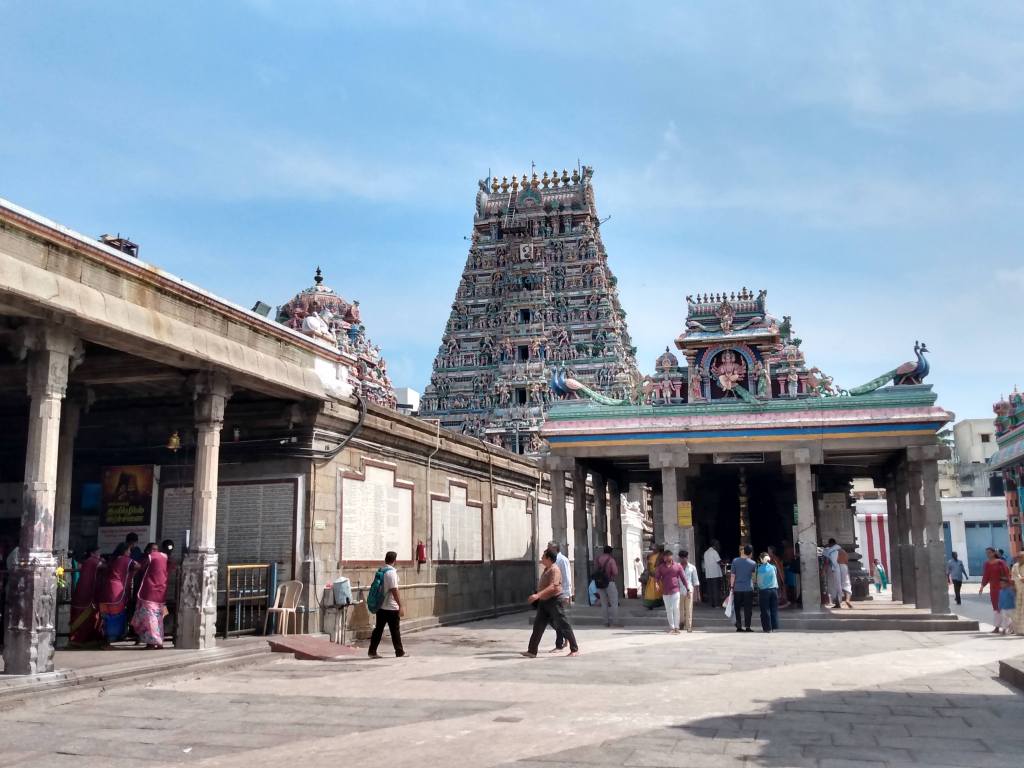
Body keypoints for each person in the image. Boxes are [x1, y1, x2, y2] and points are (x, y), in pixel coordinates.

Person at [522, 549, 579, 657]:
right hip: (544, 602)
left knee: (563, 623)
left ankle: (574, 649)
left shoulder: (554, 569)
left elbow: (553, 586)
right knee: (538, 626)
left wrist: (537, 595)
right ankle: (532, 651)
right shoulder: (546, 569)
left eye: (543, 557)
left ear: (548, 558)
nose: (541, 558)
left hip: (554, 601)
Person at [130, 541, 173, 649]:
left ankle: (153, 642)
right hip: (161, 592)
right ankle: (159, 641)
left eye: (155, 549)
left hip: (149, 593)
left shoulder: (151, 557)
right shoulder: (165, 558)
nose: (154, 552)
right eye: (153, 550)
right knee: (158, 618)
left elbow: (140, 567)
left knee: (149, 619)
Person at [98, 543, 138, 645]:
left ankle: (107, 637)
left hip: (106, 589)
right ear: (124, 551)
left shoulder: (113, 559)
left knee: (107, 614)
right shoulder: (125, 559)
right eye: (129, 550)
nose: (130, 553)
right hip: (116, 590)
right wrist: (133, 573)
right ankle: (112, 638)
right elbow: (138, 566)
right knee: (115, 614)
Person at [368, 550, 405, 658]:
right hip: (391, 607)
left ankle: (372, 651)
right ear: (394, 560)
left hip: (381, 606)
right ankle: (399, 652)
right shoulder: (391, 573)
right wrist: (401, 606)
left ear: (385, 559)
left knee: (378, 629)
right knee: (395, 630)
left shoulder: (381, 570)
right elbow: (394, 590)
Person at [69, 545, 103, 647]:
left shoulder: (89, 562)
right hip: (86, 595)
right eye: (98, 553)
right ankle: (79, 640)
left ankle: (85, 639)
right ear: (92, 553)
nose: (99, 555)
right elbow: (104, 566)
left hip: (83, 593)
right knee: (86, 618)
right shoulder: (92, 561)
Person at [547, 541, 573, 652]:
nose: (547, 550)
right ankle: (566, 636)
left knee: (559, 619)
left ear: (554, 549)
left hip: (561, 593)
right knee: (551, 618)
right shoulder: (551, 560)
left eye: (549, 548)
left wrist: (567, 594)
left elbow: (567, 577)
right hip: (552, 594)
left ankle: (560, 644)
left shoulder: (562, 560)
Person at [654, 551, 687, 634]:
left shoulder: (677, 566)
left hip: (675, 591)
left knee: (676, 608)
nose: (665, 558)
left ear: (671, 556)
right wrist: (656, 584)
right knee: (669, 610)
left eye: (667, 556)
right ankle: (672, 628)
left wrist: (688, 588)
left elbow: (683, 578)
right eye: (664, 557)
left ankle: (677, 627)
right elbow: (657, 577)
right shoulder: (661, 567)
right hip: (665, 592)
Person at [980, 547, 1011, 633]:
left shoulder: (1001, 562)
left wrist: (1008, 586)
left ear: (994, 553)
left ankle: (1006, 627)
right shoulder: (986, 564)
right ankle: (997, 627)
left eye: (989, 552)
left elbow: (1006, 574)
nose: (988, 554)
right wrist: (982, 586)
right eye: (986, 553)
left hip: (1002, 588)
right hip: (993, 589)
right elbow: (986, 576)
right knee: (996, 608)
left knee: (1003, 608)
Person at [730, 545, 756, 632]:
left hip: (737, 588)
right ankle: (748, 626)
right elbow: (753, 577)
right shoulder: (753, 563)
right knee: (748, 609)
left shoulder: (735, 561)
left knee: (737, 608)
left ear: (743, 551)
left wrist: (731, 587)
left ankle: (739, 626)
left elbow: (732, 575)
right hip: (748, 588)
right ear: (751, 553)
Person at [592, 545, 620, 627]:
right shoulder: (611, 560)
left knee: (604, 603)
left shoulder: (598, 559)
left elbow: (595, 570)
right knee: (614, 602)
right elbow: (615, 572)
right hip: (609, 582)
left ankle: (605, 622)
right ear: (610, 552)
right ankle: (615, 622)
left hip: (600, 582)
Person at [755, 553, 780, 633]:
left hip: (764, 591)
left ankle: (767, 628)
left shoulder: (760, 569)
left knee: (765, 610)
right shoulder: (773, 567)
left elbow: (759, 581)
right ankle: (774, 627)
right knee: (774, 609)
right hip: (774, 590)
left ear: (761, 559)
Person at [679, 550, 699, 632]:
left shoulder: (692, 567)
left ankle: (689, 626)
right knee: (680, 609)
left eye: (685, 558)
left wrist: (697, 595)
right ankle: (681, 622)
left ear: (687, 557)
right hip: (679, 591)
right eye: (682, 558)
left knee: (689, 609)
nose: (683, 559)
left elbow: (695, 581)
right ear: (680, 558)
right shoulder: (677, 567)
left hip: (689, 590)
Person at [821, 538, 842, 608]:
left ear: (830, 544)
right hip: (839, 569)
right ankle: (838, 601)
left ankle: (836, 602)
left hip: (831, 570)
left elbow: (826, 562)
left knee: (832, 586)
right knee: (838, 585)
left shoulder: (827, 551)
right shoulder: (840, 549)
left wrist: (823, 571)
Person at [642, 544, 665, 609]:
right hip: (651, 575)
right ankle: (650, 604)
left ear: (658, 549)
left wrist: (657, 572)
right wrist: (649, 571)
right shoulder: (650, 556)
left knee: (658, 590)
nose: (653, 550)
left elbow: (661, 565)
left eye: (655, 549)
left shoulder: (660, 556)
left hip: (658, 575)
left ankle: (657, 603)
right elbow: (648, 565)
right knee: (650, 591)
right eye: (653, 549)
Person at [703, 540, 724, 608]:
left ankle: (711, 604)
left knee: (710, 590)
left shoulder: (705, 552)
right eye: (717, 544)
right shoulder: (714, 552)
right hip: (715, 574)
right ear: (715, 545)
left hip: (708, 574)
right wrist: (723, 563)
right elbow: (719, 561)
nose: (718, 546)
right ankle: (716, 604)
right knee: (716, 589)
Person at [1012, 551, 1024, 635]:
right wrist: (1013, 587)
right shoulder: (1015, 566)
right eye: (1018, 557)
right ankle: (1019, 630)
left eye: (1021, 557)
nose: (1019, 559)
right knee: (1018, 610)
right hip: (1018, 590)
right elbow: (1013, 577)